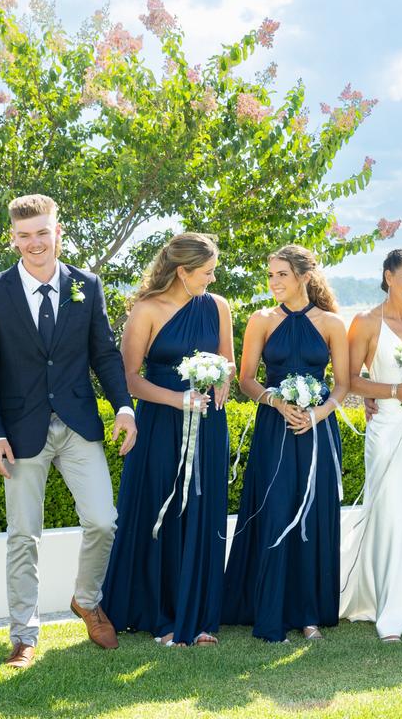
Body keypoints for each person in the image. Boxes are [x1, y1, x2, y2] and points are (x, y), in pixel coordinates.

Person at [0, 194, 137, 667]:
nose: (34, 243)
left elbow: (104, 354)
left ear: (58, 233)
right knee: (24, 534)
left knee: (103, 520)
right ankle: (24, 634)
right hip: (20, 430)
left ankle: (86, 600)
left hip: (78, 423)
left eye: (42, 232)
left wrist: (123, 407)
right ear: (13, 238)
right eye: (24, 235)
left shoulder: (86, 285)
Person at [99, 233, 234, 647]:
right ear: (182, 271)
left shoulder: (218, 306)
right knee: (163, 509)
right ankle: (162, 616)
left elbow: (228, 361)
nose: (212, 280)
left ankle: (202, 615)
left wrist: (223, 381)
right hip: (160, 423)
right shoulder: (147, 310)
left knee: (203, 511)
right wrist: (178, 399)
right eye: (207, 273)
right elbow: (129, 379)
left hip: (208, 423)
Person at [223, 244, 349, 642]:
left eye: (281, 274)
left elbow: (344, 385)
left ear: (304, 277)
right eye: (271, 274)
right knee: (276, 511)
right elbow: (246, 380)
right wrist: (278, 403)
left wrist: (316, 414)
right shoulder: (260, 319)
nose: (273, 281)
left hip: (317, 430)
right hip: (275, 430)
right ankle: (270, 609)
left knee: (311, 516)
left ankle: (309, 613)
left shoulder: (332, 323)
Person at [340, 248, 402, 642]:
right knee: (392, 513)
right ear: (388, 277)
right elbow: (348, 380)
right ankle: (387, 609)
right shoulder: (365, 322)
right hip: (387, 427)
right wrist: (392, 389)